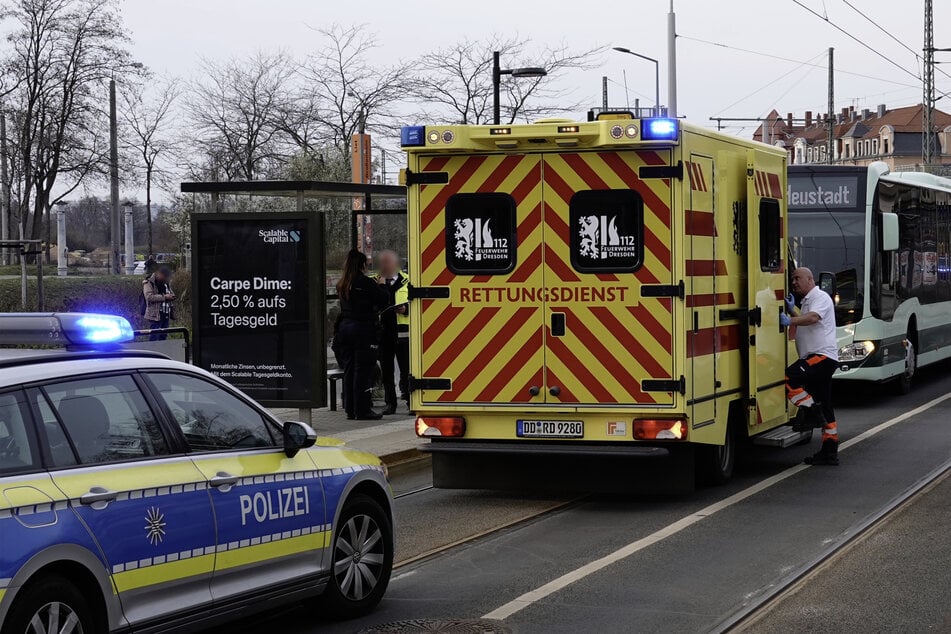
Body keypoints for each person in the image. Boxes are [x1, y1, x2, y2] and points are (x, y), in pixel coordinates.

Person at [780, 267, 840, 466]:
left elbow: (813, 318)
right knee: (826, 406)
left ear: (810, 279)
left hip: (821, 356)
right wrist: (792, 311)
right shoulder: (808, 301)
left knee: (790, 378)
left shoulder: (820, 297)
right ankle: (829, 452)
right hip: (819, 357)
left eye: (797, 278)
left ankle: (811, 412)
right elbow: (809, 322)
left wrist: (790, 320)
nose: (794, 282)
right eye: (792, 279)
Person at [336, 249, 388, 421]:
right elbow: (383, 299)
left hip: (345, 329)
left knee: (349, 369)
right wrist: (381, 284)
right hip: (363, 329)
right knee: (364, 370)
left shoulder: (343, 283)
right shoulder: (365, 283)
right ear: (362, 265)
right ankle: (363, 409)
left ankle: (350, 409)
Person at [374, 250, 410, 415]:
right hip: (384, 332)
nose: (385, 266)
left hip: (403, 332)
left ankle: (411, 401)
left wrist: (406, 309)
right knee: (387, 371)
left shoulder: (408, 280)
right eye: (382, 263)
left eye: (388, 263)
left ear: (395, 264)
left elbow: (417, 302)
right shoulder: (374, 281)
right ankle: (390, 403)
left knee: (407, 369)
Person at [143, 266, 175, 341]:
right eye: (165, 277)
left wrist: (172, 296)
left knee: (163, 336)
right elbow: (149, 297)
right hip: (155, 314)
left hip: (166, 313)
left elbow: (170, 292)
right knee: (154, 336)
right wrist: (165, 297)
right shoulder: (149, 282)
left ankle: (162, 351)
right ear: (160, 274)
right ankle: (153, 351)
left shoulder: (166, 283)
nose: (166, 279)